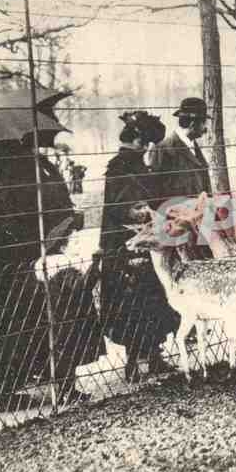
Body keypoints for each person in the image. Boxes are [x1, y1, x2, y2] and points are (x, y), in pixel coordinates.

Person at [99, 112, 178, 383]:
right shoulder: (121, 166)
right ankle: (135, 363)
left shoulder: (134, 165)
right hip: (126, 250)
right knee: (133, 305)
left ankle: (153, 357)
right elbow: (120, 208)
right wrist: (142, 213)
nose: (148, 149)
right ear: (136, 140)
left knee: (151, 302)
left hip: (143, 246)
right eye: (145, 143)